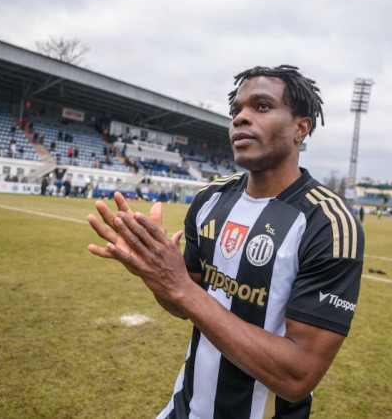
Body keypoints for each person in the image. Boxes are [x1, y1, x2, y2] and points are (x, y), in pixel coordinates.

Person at [87, 65, 364, 418]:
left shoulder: (327, 224)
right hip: (183, 410)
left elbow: (297, 375)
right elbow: (181, 304)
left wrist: (179, 287)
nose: (240, 118)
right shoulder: (210, 199)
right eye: (236, 110)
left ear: (301, 127)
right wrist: (156, 275)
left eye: (261, 106)